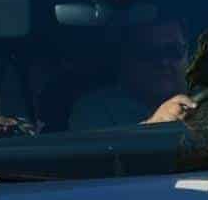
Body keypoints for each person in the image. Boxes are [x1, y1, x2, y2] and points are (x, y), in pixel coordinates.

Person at [68, 19, 198, 130]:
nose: (163, 62)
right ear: (125, 60)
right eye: (149, 52)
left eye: (172, 50)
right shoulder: (94, 111)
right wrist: (153, 127)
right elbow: (95, 156)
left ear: (187, 55)